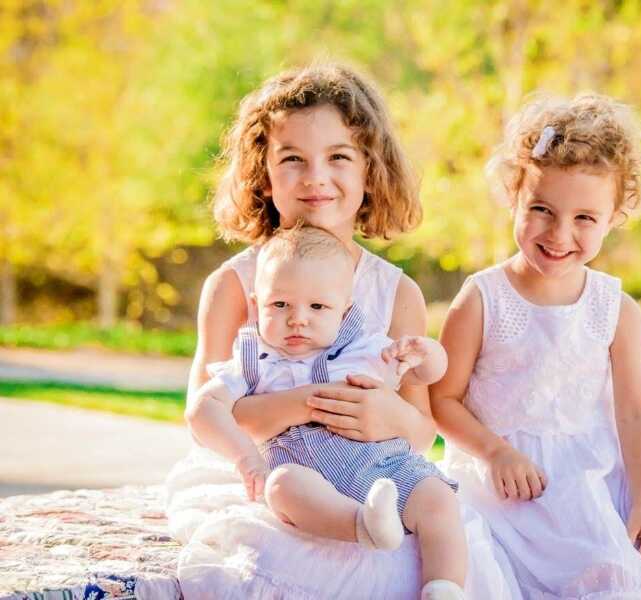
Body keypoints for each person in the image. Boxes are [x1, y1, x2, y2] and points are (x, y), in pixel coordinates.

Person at [175, 63, 518, 599]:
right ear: (263, 177)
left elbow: (421, 429)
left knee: (423, 539)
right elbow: (207, 416)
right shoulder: (236, 285)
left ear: (369, 172)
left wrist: (388, 415)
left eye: (338, 157)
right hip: (270, 472)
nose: (316, 178)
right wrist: (309, 403)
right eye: (293, 160)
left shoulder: (395, 292)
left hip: (371, 467)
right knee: (315, 560)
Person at [430, 94, 641, 599]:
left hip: (595, 475)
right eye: (540, 209)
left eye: (585, 218)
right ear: (513, 198)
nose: (559, 233)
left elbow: (635, 414)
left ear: (615, 217)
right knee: (591, 571)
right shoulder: (482, 300)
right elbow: (442, 400)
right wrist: (495, 452)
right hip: (503, 483)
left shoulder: (616, 309)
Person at [187, 225, 465, 599]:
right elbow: (202, 410)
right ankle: (364, 524)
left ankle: (444, 587)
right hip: (309, 477)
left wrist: (428, 354)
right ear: (257, 304)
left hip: (385, 466)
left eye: (317, 306)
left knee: (438, 499)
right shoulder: (255, 361)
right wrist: (247, 457)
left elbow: (421, 375)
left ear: (344, 309)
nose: (298, 318)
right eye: (280, 304)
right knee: (281, 487)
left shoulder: (363, 350)